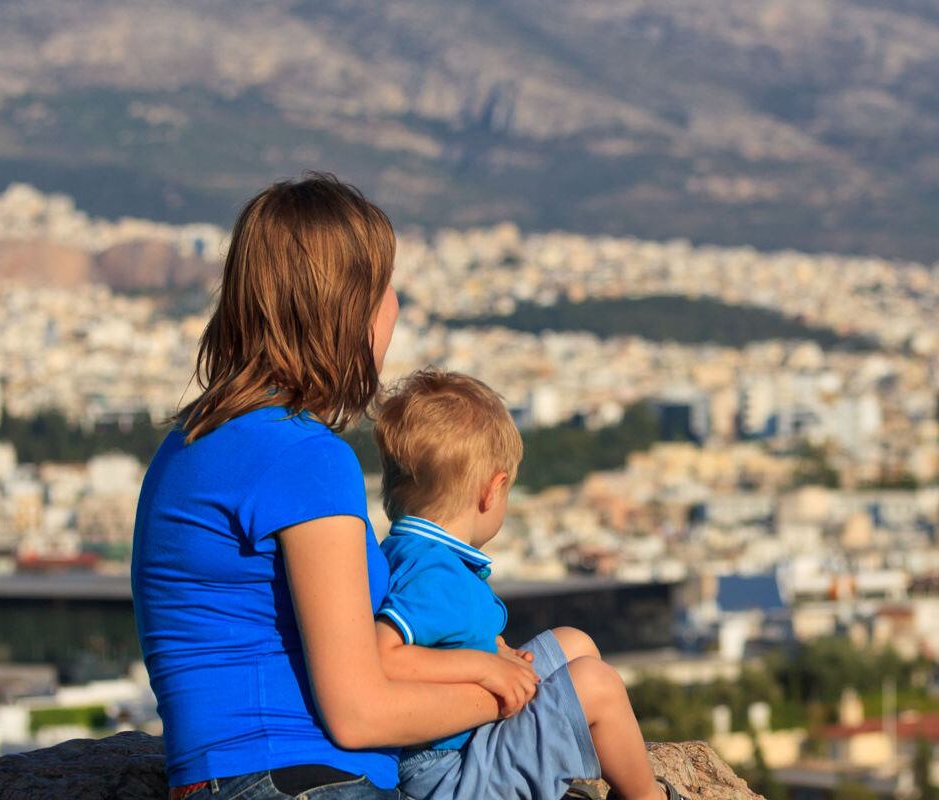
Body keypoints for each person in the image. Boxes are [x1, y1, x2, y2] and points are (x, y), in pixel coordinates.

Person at [132, 174, 538, 800]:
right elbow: (359, 714)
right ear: (348, 310)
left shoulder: (192, 439)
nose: (395, 304)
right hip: (299, 780)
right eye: (383, 286)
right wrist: (498, 694)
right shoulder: (304, 457)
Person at [370, 368, 685, 800]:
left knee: (573, 644)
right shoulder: (434, 573)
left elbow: (438, 640)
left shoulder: (414, 553)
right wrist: (484, 667)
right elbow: (382, 660)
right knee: (596, 683)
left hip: (460, 746)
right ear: (491, 491)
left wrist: (493, 652)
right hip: (449, 774)